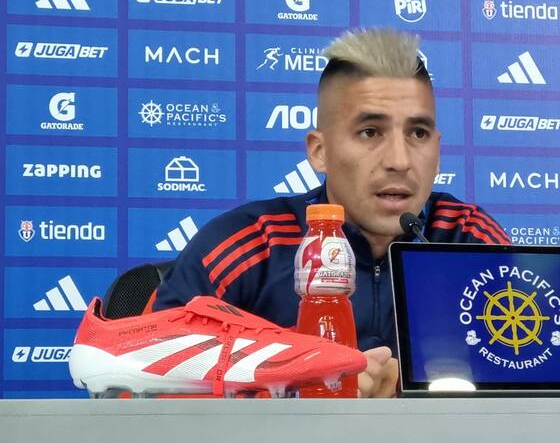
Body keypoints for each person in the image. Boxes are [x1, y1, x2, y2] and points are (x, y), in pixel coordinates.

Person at [153, 28, 510, 397]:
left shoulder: (471, 242)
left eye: (417, 134)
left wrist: (411, 397)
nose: (400, 161)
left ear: (437, 149)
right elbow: (138, 387)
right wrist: (294, 389)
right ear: (319, 151)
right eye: (370, 132)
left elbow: (542, 390)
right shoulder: (250, 245)